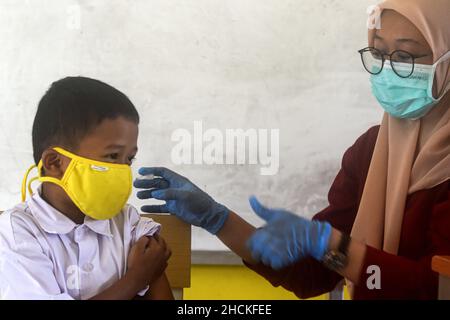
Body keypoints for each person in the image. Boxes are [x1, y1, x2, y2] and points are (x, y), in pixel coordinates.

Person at [134, 0, 450, 299]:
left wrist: (332, 245)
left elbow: (436, 289)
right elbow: (314, 273)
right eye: (378, 54)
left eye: (405, 57)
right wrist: (217, 218)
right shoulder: (369, 151)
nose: (386, 70)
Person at [0, 77, 173, 300]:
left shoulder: (127, 222)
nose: (123, 171)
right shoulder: (17, 232)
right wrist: (137, 279)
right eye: (112, 156)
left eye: (129, 159)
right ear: (55, 163)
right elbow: (147, 275)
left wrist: (148, 275)